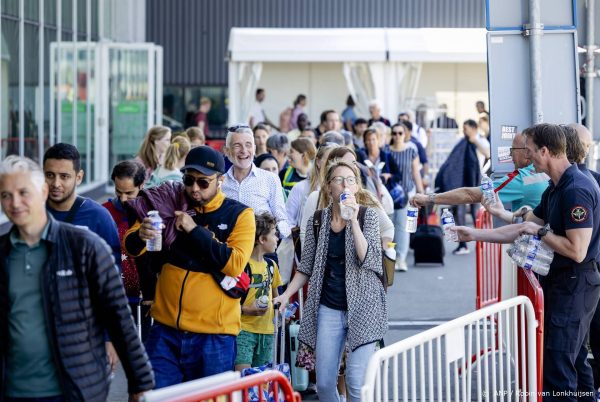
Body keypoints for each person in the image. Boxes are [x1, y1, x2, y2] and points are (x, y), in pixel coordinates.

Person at [452, 123, 600, 402]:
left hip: (574, 285)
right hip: (566, 285)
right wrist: (475, 234)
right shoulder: (557, 187)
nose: (526, 157)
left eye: (529, 151)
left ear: (545, 151)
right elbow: (524, 226)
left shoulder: (576, 189)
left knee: (559, 371)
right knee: (576, 365)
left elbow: (576, 250)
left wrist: (542, 232)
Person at [0, 156, 154, 401]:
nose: (15, 203)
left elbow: (119, 318)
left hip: (74, 390)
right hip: (13, 392)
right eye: (6, 195)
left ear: (42, 191)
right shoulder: (3, 255)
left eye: (23, 192)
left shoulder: (85, 246)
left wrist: (140, 383)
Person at [123, 145, 256, 387]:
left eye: (203, 182)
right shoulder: (168, 202)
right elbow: (132, 247)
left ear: (221, 181)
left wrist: (194, 231)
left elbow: (235, 264)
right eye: (188, 180)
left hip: (214, 337)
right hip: (165, 331)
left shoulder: (240, 214)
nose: (194, 188)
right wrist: (141, 234)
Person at [275, 159, 387, 402]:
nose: (345, 185)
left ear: (356, 187)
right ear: (328, 187)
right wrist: (285, 295)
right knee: (325, 384)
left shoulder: (368, 216)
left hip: (364, 307)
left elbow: (369, 260)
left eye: (350, 180)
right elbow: (306, 267)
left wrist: (353, 220)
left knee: (356, 383)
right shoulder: (318, 220)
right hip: (328, 306)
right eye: (338, 179)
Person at [411, 131, 549, 217]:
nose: (510, 154)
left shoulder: (521, 178)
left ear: (526, 152)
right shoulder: (545, 172)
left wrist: (428, 199)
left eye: (512, 149)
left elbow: (470, 194)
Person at [222, 125, 291, 239]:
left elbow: (282, 220)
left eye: (248, 145)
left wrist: (272, 235)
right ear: (227, 151)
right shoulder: (220, 183)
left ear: (254, 148)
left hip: (262, 250)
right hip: (229, 249)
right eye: (237, 145)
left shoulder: (270, 179)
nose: (244, 150)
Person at [433, 120, 489, 255]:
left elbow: (487, 153)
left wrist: (474, 140)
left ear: (474, 128)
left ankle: (481, 242)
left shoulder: (480, 141)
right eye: (463, 129)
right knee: (459, 212)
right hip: (461, 181)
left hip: (476, 181)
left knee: (477, 213)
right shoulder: (462, 141)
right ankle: (463, 245)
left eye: (466, 128)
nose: (464, 131)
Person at [235, 213, 283, 371]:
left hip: (267, 332)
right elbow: (230, 303)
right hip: (243, 330)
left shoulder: (271, 266)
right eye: (274, 234)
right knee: (242, 379)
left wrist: (283, 309)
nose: (277, 238)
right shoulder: (241, 266)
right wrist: (247, 309)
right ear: (262, 240)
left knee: (261, 384)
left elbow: (277, 298)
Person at [388, 124, 425, 271]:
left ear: (405, 134)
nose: (397, 136)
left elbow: (415, 172)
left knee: (402, 226)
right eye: (394, 133)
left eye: (400, 133)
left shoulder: (411, 150)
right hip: (390, 194)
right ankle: (389, 257)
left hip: (408, 192)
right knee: (389, 225)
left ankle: (401, 259)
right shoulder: (386, 150)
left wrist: (421, 192)